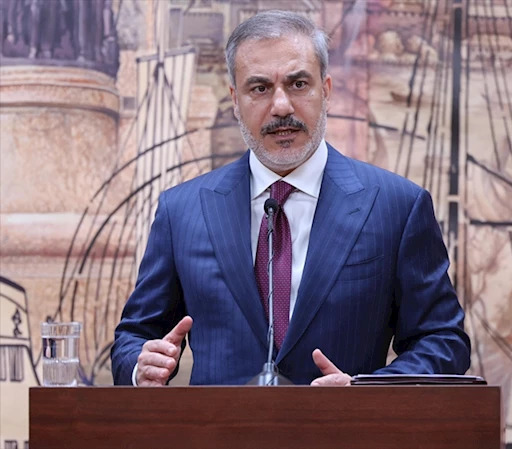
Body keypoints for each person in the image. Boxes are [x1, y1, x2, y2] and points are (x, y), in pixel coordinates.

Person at [111, 10, 471, 386]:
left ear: (325, 90)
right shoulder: (182, 212)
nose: (281, 106)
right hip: (219, 423)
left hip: (342, 424)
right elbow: (134, 336)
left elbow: (443, 340)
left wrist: (366, 393)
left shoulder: (398, 207)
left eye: (298, 84)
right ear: (235, 100)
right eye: (260, 88)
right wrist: (141, 366)